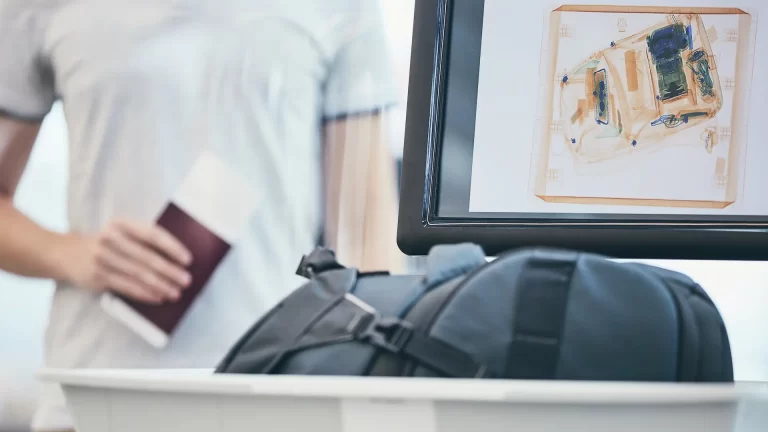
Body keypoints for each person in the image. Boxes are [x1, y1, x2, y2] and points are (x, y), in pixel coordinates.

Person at [0, 1, 404, 430]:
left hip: (273, 395)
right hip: (95, 397)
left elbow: (367, 242)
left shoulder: (341, 9)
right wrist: (71, 254)